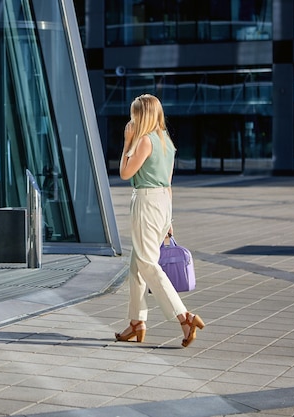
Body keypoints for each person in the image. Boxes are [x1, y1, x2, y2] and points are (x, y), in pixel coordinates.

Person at [115, 94, 204, 348]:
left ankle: (184, 317)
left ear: (141, 116)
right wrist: (169, 220)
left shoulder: (144, 141)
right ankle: (137, 322)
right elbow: (168, 183)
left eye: (134, 114)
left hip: (146, 202)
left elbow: (125, 173)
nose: (131, 119)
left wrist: (126, 142)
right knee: (137, 265)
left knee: (147, 264)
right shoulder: (166, 141)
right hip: (162, 203)